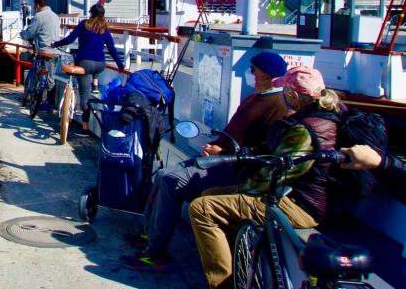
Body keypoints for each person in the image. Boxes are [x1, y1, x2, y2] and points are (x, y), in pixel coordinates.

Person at [121, 51, 289, 270]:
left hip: (237, 168)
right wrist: (216, 146)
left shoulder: (279, 106)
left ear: (266, 75)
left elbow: (268, 149)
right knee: (163, 174)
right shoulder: (256, 98)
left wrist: (224, 151)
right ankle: (149, 234)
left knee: (171, 180)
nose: (250, 73)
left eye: (253, 70)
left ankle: (155, 254)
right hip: (221, 159)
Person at [188, 65, 341, 289]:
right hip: (291, 196)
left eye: (286, 92)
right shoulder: (315, 118)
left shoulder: (307, 128)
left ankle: (222, 285)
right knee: (210, 194)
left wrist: (244, 188)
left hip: (299, 205)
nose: (283, 96)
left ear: (294, 95)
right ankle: (239, 271)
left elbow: (282, 171)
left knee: (202, 208)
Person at [52, 4, 125, 130]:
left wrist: (55, 44)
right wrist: (121, 65)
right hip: (100, 64)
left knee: (85, 94)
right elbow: (112, 49)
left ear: (91, 13)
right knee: (94, 70)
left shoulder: (84, 24)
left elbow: (69, 39)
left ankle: (85, 125)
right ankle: (95, 84)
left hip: (84, 63)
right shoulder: (105, 29)